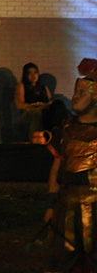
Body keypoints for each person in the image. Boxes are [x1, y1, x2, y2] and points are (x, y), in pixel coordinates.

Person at [43, 58, 97, 272]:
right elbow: (56, 170)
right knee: (62, 258)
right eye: (76, 91)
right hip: (67, 206)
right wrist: (50, 205)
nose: (75, 96)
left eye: (82, 93)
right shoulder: (65, 130)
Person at [16, 62, 52, 139]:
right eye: (30, 73)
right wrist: (35, 106)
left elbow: (50, 101)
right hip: (30, 112)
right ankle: (35, 140)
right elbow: (19, 104)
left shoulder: (43, 87)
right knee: (37, 114)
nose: (33, 75)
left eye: (35, 72)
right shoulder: (22, 86)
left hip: (44, 110)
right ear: (25, 75)